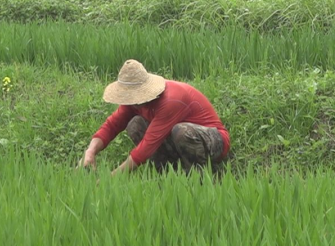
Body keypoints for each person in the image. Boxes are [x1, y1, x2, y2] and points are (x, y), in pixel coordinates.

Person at [79, 59, 230, 175]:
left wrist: (112, 177)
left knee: (181, 131)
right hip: (177, 142)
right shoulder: (134, 101)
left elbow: (146, 147)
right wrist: (90, 152)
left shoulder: (171, 100)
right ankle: (166, 174)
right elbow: (112, 125)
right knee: (135, 124)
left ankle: (201, 177)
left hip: (213, 141)